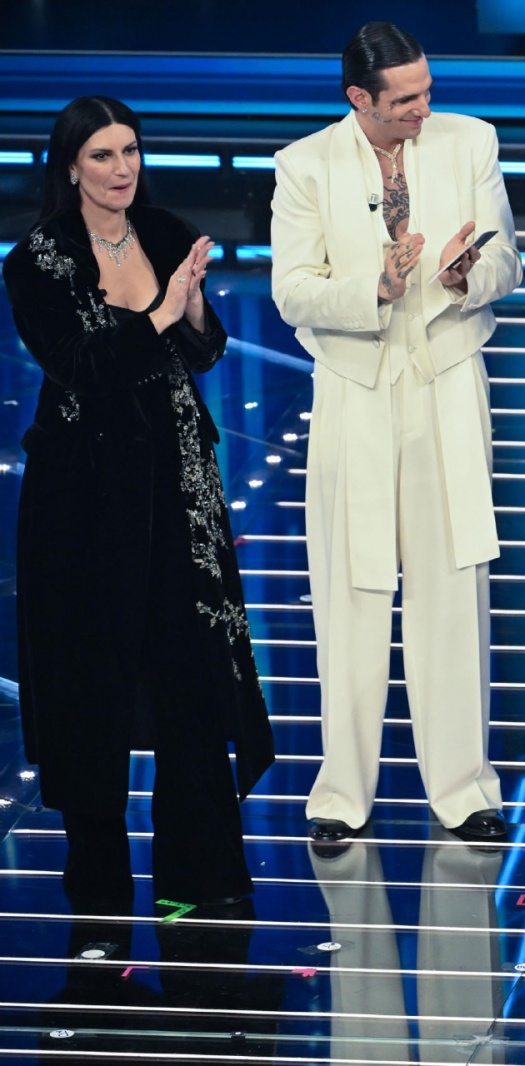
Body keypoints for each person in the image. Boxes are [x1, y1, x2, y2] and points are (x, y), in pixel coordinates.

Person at [3, 96, 274, 911]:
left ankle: (199, 880)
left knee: (189, 670)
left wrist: (190, 308)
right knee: (91, 678)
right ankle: (98, 891)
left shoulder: (162, 230)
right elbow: (85, 366)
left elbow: (205, 348)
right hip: (79, 499)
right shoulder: (35, 261)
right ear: (70, 167)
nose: (123, 170)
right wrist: (160, 314)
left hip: (174, 481)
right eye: (103, 157)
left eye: (130, 152)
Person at [271, 21, 522, 846]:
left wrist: (464, 275)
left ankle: (463, 789)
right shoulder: (304, 165)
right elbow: (293, 292)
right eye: (406, 98)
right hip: (355, 391)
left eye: (426, 90)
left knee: (454, 592)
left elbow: (506, 263)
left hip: (447, 382)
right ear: (359, 100)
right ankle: (342, 792)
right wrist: (372, 286)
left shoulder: (470, 142)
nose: (424, 107)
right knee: (352, 592)